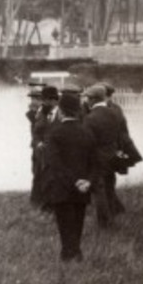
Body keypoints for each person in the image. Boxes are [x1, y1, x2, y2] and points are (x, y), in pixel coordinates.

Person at [35, 90, 100, 262]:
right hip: (83, 186)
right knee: (78, 221)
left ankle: (68, 254)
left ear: (61, 111)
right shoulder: (87, 132)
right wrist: (88, 181)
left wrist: (74, 181)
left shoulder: (54, 133)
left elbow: (54, 164)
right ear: (78, 110)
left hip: (62, 186)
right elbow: (95, 162)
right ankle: (76, 252)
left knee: (65, 222)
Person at [82, 83, 142, 228]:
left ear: (94, 99)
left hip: (97, 158)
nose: (87, 101)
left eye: (88, 98)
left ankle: (105, 223)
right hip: (113, 156)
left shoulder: (90, 118)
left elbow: (87, 142)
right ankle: (113, 215)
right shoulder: (116, 113)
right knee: (109, 186)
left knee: (98, 190)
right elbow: (122, 135)